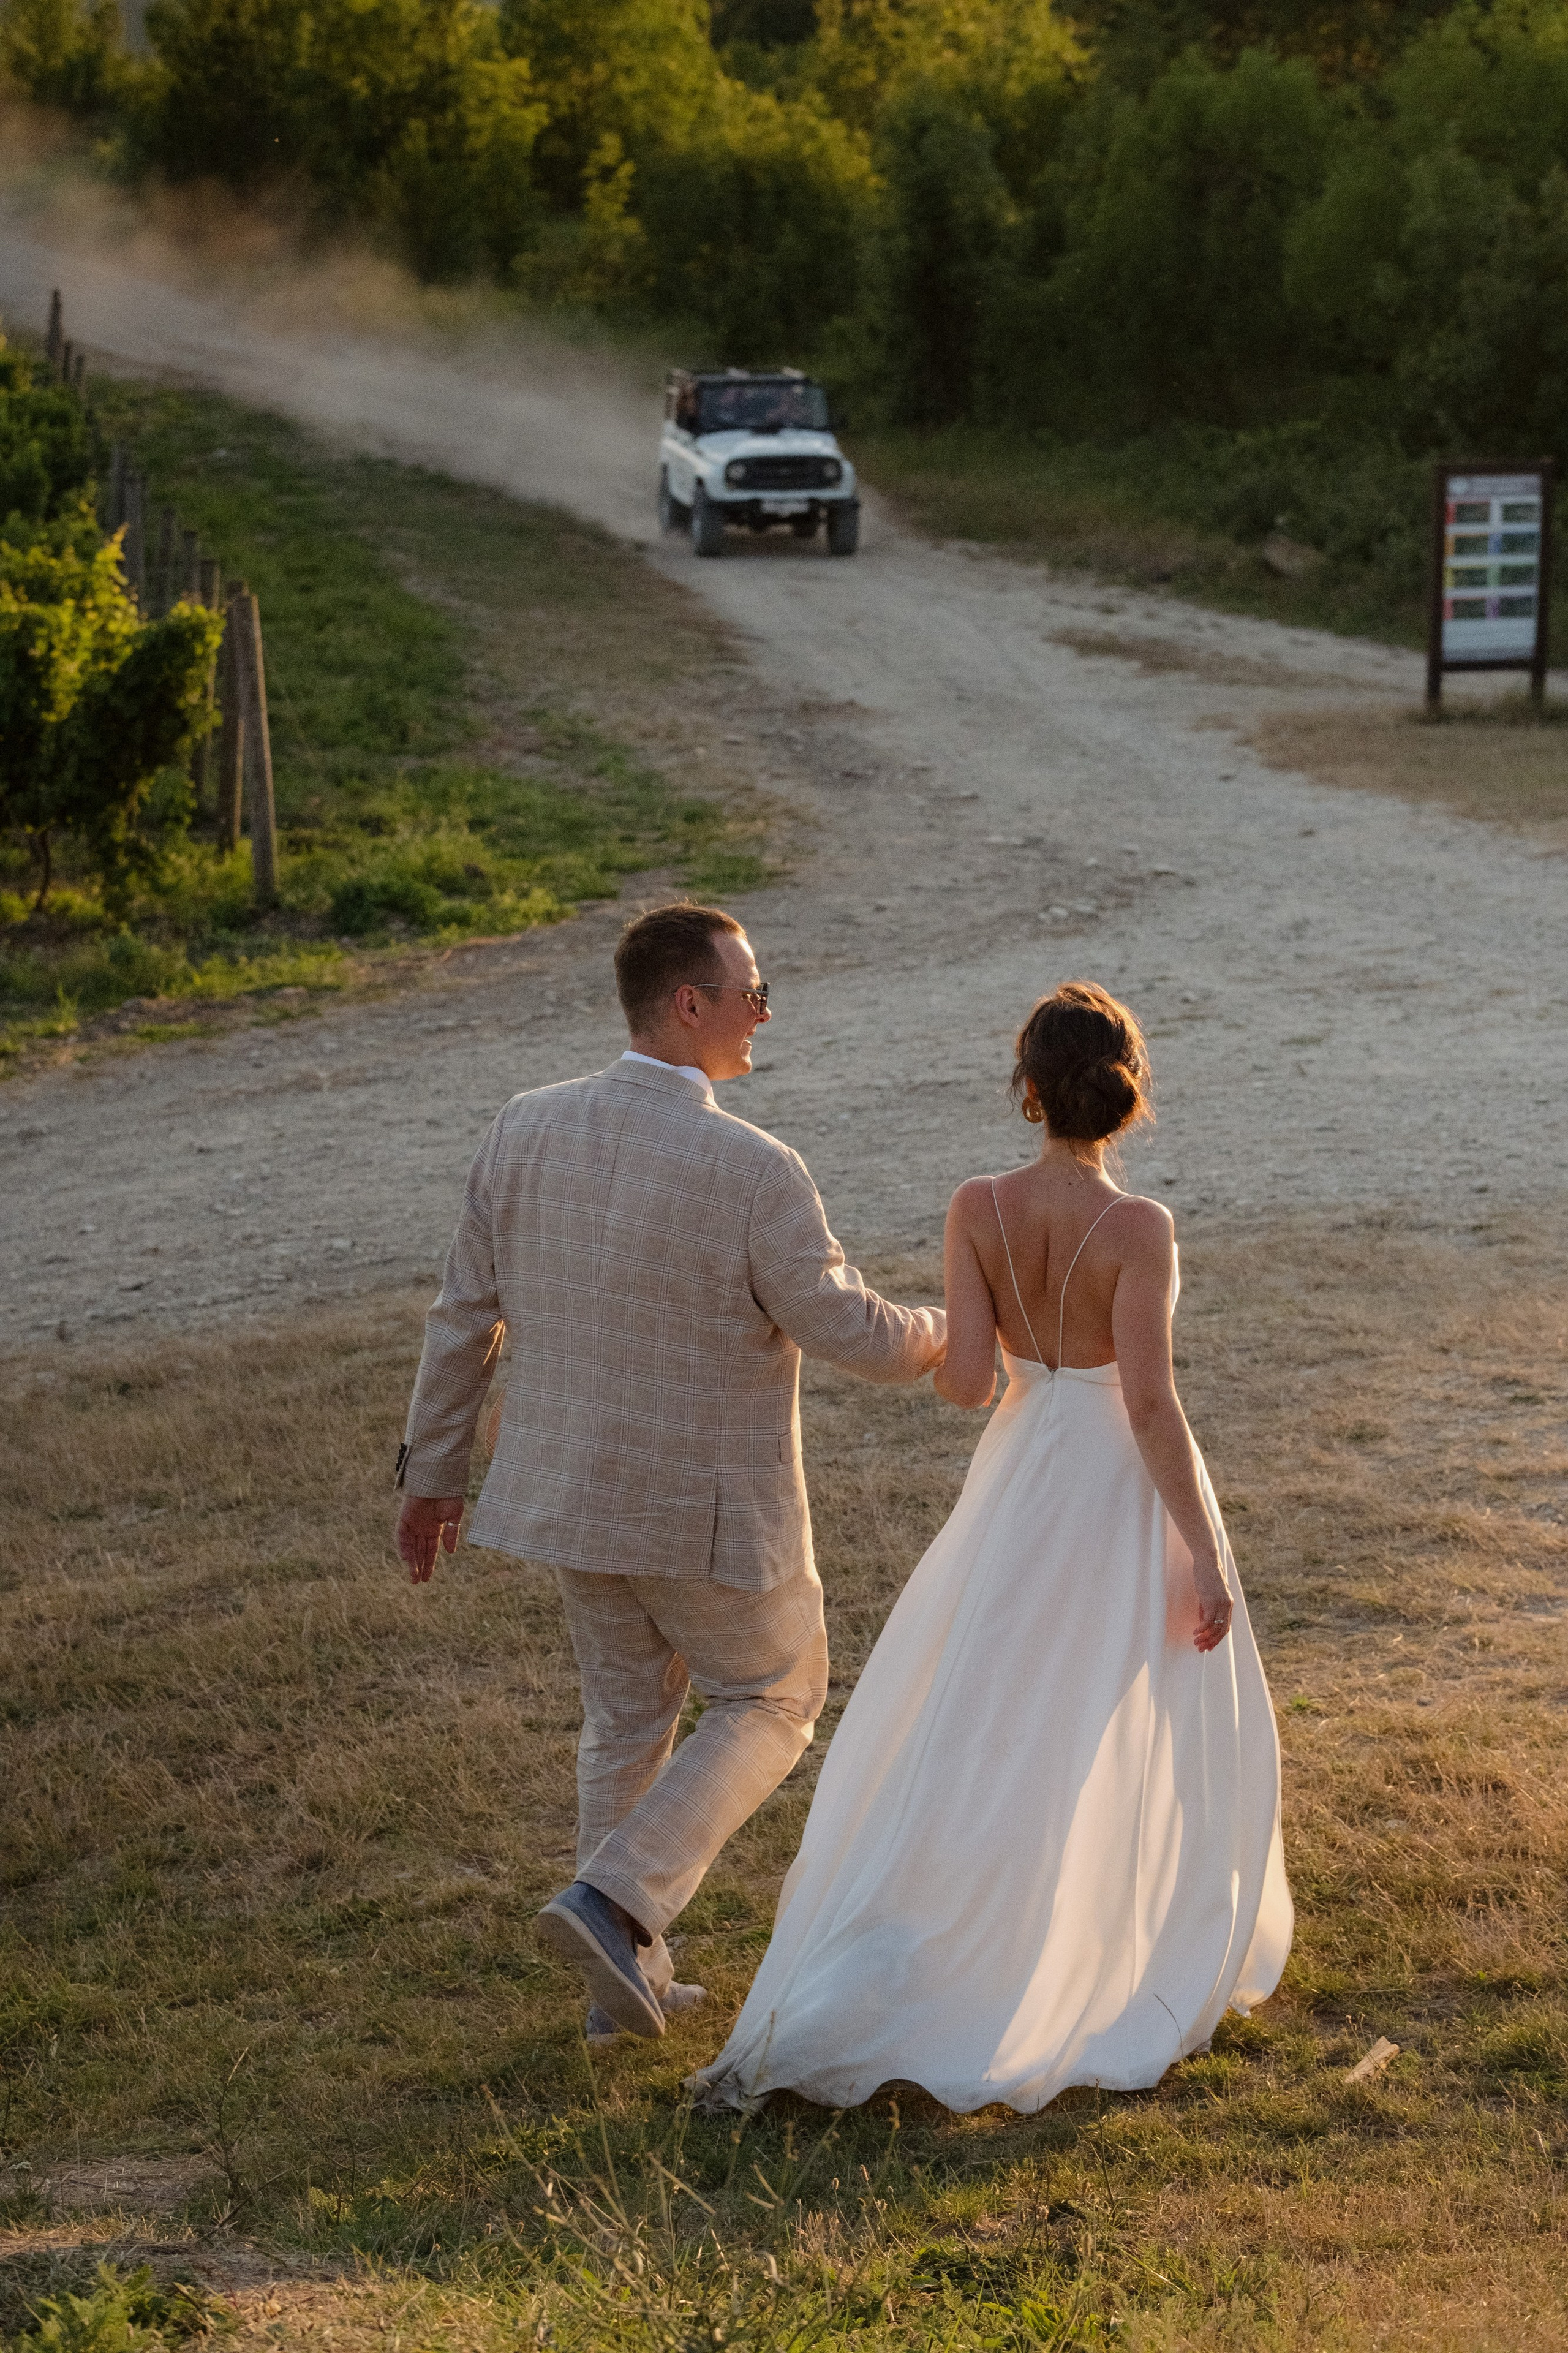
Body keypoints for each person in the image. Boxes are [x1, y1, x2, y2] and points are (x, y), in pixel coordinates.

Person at [690, 981, 1293, 2114]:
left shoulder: (977, 1206)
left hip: (1023, 1484)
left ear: (1028, 1087)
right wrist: (1205, 1551)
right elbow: (1153, 1408)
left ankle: (930, 1949)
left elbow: (969, 1382)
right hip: (1118, 1487)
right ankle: (1099, 1944)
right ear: (1129, 1089)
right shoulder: (1142, 1229)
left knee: (992, 1712)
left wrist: (957, 1341)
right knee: (1123, 1715)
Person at [393, 902, 946, 2044]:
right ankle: (614, 1900)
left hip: (566, 1498)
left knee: (625, 1725)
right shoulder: (752, 1166)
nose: (764, 1010)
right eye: (751, 988)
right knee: (779, 1693)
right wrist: (959, 1328)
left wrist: (432, 1475)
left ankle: (619, 1990)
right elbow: (853, 1329)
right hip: (703, 1517)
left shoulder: (523, 1125)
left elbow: (463, 1317)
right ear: (688, 1003)